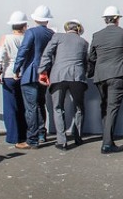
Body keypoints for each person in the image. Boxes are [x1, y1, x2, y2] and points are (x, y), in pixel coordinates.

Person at [87, 6, 123, 154]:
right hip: (117, 74)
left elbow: (92, 57)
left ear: (105, 19)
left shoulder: (96, 35)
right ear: (117, 19)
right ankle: (107, 144)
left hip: (100, 76)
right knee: (112, 107)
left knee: (105, 107)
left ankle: (107, 138)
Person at [38, 19, 88, 151]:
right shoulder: (83, 42)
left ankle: (62, 141)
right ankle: (78, 137)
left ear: (66, 28)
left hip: (58, 76)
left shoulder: (57, 37)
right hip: (77, 76)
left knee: (58, 107)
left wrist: (42, 70)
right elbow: (85, 62)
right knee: (79, 107)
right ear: (78, 30)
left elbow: (47, 53)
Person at [13, 5, 54, 150]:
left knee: (31, 107)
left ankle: (32, 139)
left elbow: (23, 51)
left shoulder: (31, 32)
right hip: (44, 74)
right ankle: (42, 134)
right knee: (40, 104)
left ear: (35, 18)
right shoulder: (51, 34)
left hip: (30, 74)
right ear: (47, 20)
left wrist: (16, 69)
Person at [0, 11, 28, 145]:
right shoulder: (28, 37)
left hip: (8, 74)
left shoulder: (6, 38)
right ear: (24, 25)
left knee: (10, 107)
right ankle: (24, 134)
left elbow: (0, 56)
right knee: (23, 106)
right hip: (24, 75)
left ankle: (13, 137)